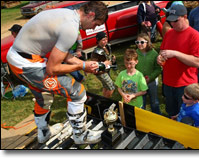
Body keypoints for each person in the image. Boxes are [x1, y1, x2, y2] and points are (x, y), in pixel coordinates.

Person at [6, 1, 108, 145]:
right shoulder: (71, 28)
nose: (93, 28)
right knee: (77, 91)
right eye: (96, 24)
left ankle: (44, 133)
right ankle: (80, 135)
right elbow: (52, 69)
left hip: (18, 58)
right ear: (91, 15)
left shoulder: (66, 14)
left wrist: (83, 64)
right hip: (28, 64)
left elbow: (61, 53)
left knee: (44, 96)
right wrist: (82, 66)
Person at [157, 5, 199, 118]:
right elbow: (162, 51)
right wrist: (159, 57)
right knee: (171, 112)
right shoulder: (169, 33)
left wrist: (176, 54)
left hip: (185, 85)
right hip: (168, 82)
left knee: (186, 116)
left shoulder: (195, 36)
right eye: (170, 21)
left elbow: (198, 62)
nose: (172, 24)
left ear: (185, 17)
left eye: (175, 21)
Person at [135, 33, 162, 114]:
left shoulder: (154, 54)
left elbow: (158, 69)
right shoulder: (135, 53)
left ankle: (157, 116)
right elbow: (132, 68)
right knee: (140, 102)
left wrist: (150, 77)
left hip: (151, 82)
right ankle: (142, 117)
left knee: (154, 101)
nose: (139, 44)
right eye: (137, 42)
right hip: (139, 83)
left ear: (148, 42)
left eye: (142, 42)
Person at [91, 31, 116, 98]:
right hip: (101, 72)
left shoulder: (106, 47)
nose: (105, 41)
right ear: (98, 41)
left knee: (106, 86)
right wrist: (104, 63)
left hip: (106, 70)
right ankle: (106, 101)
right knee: (112, 87)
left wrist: (112, 59)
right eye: (103, 40)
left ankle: (103, 98)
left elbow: (107, 57)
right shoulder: (96, 52)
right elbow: (93, 65)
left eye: (106, 39)